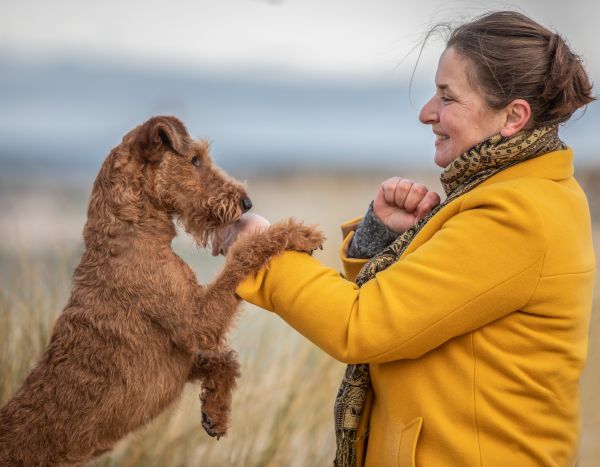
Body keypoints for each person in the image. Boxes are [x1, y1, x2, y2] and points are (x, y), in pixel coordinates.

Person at [218, 11, 596, 467]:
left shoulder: (515, 215)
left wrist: (263, 249)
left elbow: (362, 327)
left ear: (513, 116)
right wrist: (378, 240)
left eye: (447, 97)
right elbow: (410, 321)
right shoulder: (520, 192)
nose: (426, 113)